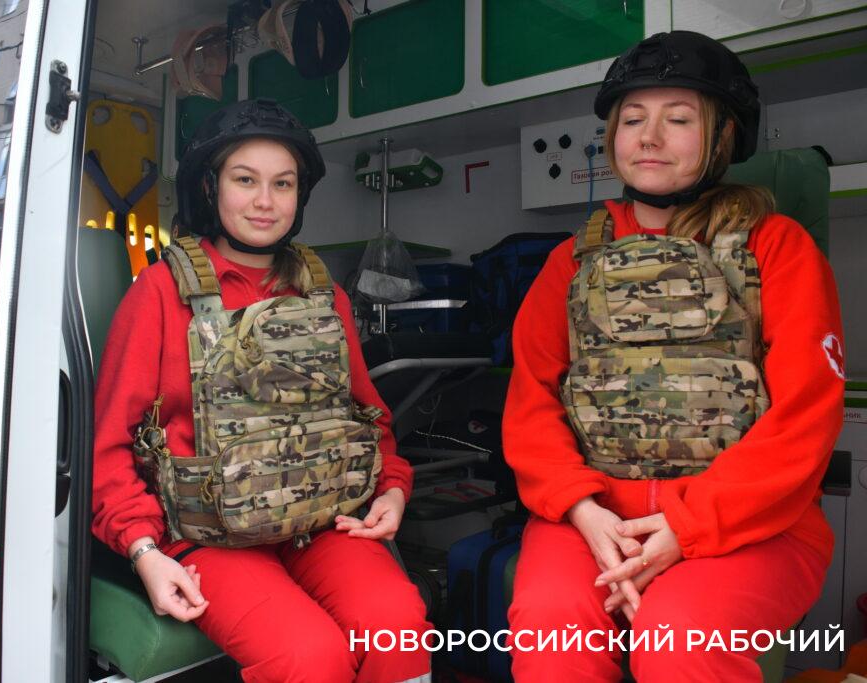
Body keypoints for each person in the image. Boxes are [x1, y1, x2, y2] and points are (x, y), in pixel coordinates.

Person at [503, 31, 845, 681]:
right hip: (592, 517)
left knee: (680, 641)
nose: (650, 137)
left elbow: (805, 414)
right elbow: (531, 401)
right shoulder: (570, 263)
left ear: (723, 137)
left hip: (752, 522)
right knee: (551, 633)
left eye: (679, 119)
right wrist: (581, 508)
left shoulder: (777, 248)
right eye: (633, 119)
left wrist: (687, 528)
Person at [92, 98, 431, 683]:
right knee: (308, 656)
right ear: (211, 186)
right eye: (245, 180)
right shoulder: (160, 292)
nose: (265, 201)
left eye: (283, 183)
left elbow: (368, 415)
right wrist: (143, 551)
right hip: (208, 536)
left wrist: (393, 489)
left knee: (398, 629)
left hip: (320, 521)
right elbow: (110, 448)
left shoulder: (324, 295)